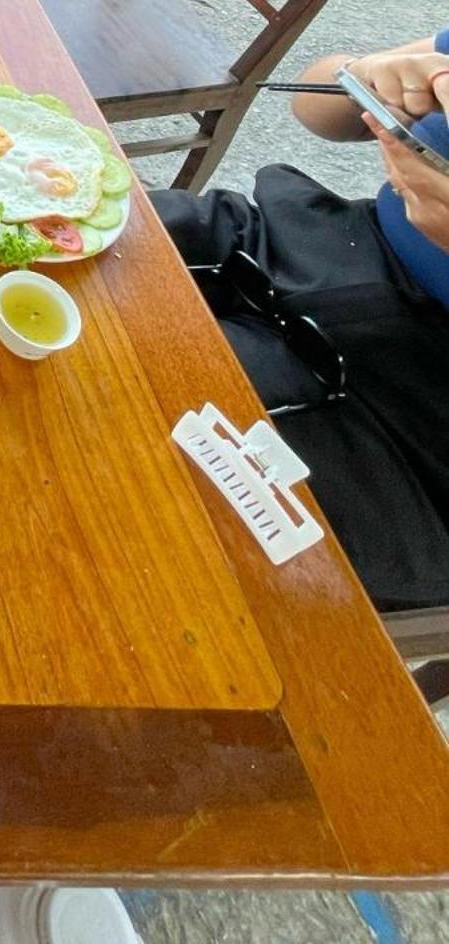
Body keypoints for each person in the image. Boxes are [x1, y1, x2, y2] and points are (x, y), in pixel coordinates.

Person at [151, 32, 449, 610]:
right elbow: (314, 104)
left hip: (409, 402)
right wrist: (370, 74)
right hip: (326, 248)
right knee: (83, 228)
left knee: (145, 430)